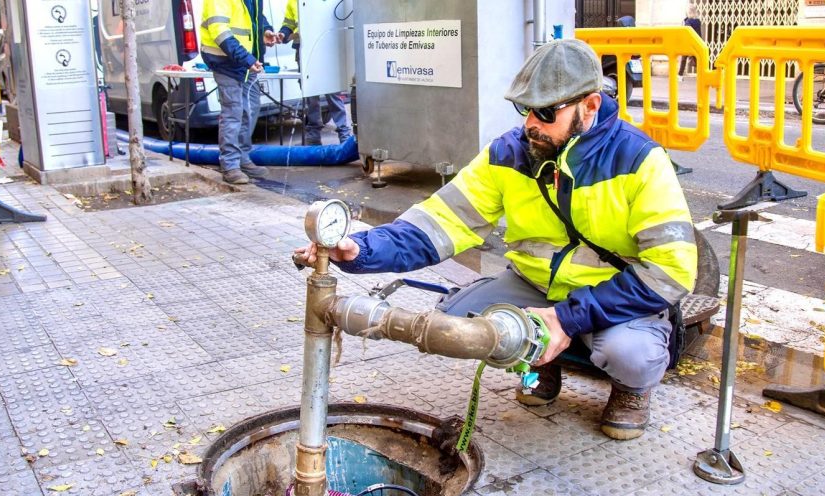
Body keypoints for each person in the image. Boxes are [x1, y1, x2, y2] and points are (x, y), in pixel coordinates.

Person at [295, 39, 698, 440]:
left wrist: (567, 318)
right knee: (460, 324)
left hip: (614, 296)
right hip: (536, 285)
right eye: (524, 109)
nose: (530, 124)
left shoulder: (640, 160)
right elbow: (440, 222)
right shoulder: (509, 153)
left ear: (589, 106)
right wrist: (361, 249)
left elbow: (672, 272)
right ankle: (541, 361)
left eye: (544, 111)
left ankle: (631, 390)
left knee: (629, 354)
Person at [201, 0, 277, 185]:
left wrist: (265, 30)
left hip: (246, 64)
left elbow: (254, 18)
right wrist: (246, 58)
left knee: (249, 110)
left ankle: (242, 158)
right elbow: (219, 31)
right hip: (226, 64)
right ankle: (230, 166)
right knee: (234, 112)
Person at [275, 0, 352, 146]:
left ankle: (344, 133)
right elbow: (289, 24)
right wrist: (283, 34)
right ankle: (313, 134)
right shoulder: (294, 1)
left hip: (326, 46)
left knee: (332, 90)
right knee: (310, 94)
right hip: (304, 50)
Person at [678, 4, 702, 81]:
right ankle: (702, 74)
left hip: (688, 42)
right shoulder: (698, 21)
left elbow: (686, 30)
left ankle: (680, 75)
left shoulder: (688, 21)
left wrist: (685, 21)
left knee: (684, 59)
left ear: (688, 12)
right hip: (696, 42)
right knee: (697, 59)